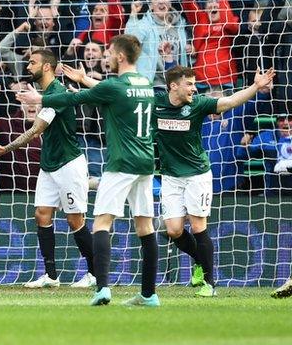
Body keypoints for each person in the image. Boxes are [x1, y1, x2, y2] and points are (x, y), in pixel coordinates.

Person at [63, 64, 276, 297]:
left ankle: (209, 283)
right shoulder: (157, 103)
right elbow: (120, 93)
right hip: (170, 176)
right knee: (173, 230)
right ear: (174, 86)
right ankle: (198, 261)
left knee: (197, 226)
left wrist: (255, 86)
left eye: (195, 84)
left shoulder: (199, 104)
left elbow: (229, 102)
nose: (194, 89)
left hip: (197, 174)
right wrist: (84, 80)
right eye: (190, 84)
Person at [17, 35, 159, 306]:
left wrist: (41, 96)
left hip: (121, 162)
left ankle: (101, 287)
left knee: (101, 224)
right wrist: (83, 79)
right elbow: (105, 91)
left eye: (109, 51)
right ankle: (149, 295)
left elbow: (77, 99)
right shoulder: (145, 83)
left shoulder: (115, 85)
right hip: (146, 162)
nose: (106, 55)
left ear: (120, 56)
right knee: (145, 226)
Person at [0, 49, 96, 289]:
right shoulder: (47, 94)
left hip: (68, 164)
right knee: (42, 215)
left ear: (46, 67)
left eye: (33, 62)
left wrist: (5, 149)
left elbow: (36, 129)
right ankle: (51, 276)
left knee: (75, 220)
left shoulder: (58, 93)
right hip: (49, 164)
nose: (28, 66)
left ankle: (95, 274)